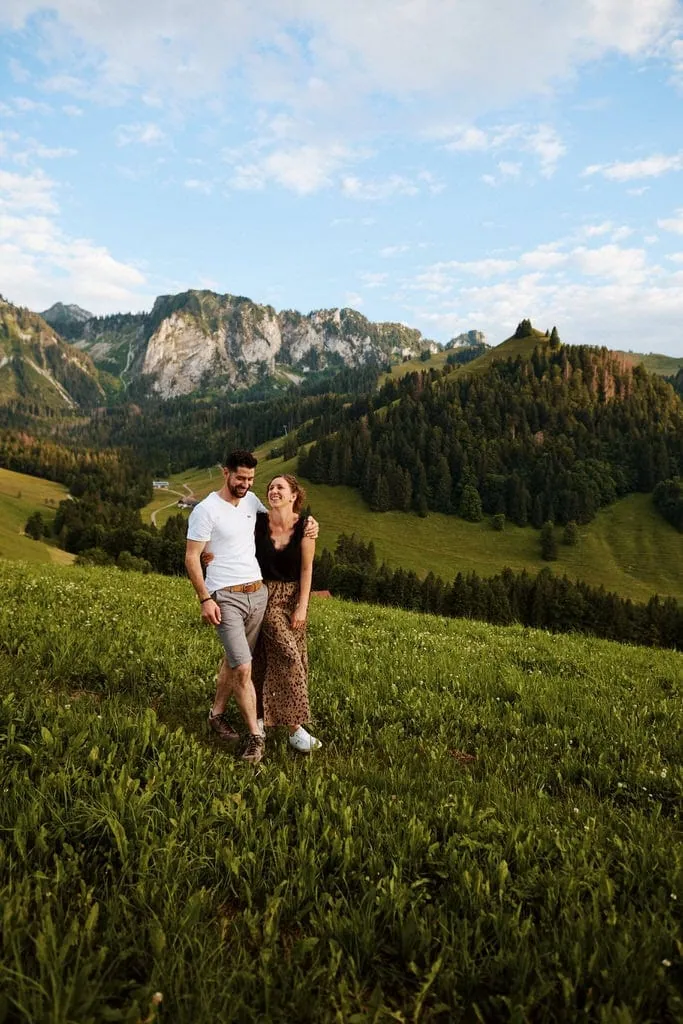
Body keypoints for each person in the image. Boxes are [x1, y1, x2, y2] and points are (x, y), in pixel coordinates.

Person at [184, 450, 317, 765]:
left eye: (250, 479)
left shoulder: (251, 503)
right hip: (226, 597)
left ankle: (217, 714)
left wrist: (310, 523)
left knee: (239, 660)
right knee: (244, 666)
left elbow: (285, 518)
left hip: (257, 594)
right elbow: (192, 556)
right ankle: (257, 735)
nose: (245, 484)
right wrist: (204, 598)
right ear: (225, 472)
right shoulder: (205, 510)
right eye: (240, 478)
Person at [252, 473, 321, 753]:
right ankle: (294, 728)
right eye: (270, 487)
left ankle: (259, 719)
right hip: (263, 595)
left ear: (294, 495)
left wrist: (302, 606)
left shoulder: (305, 527)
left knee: (278, 657)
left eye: (280, 487)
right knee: (288, 656)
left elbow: (307, 570)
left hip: (292, 597)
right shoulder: (257, 523)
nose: (273, 491)